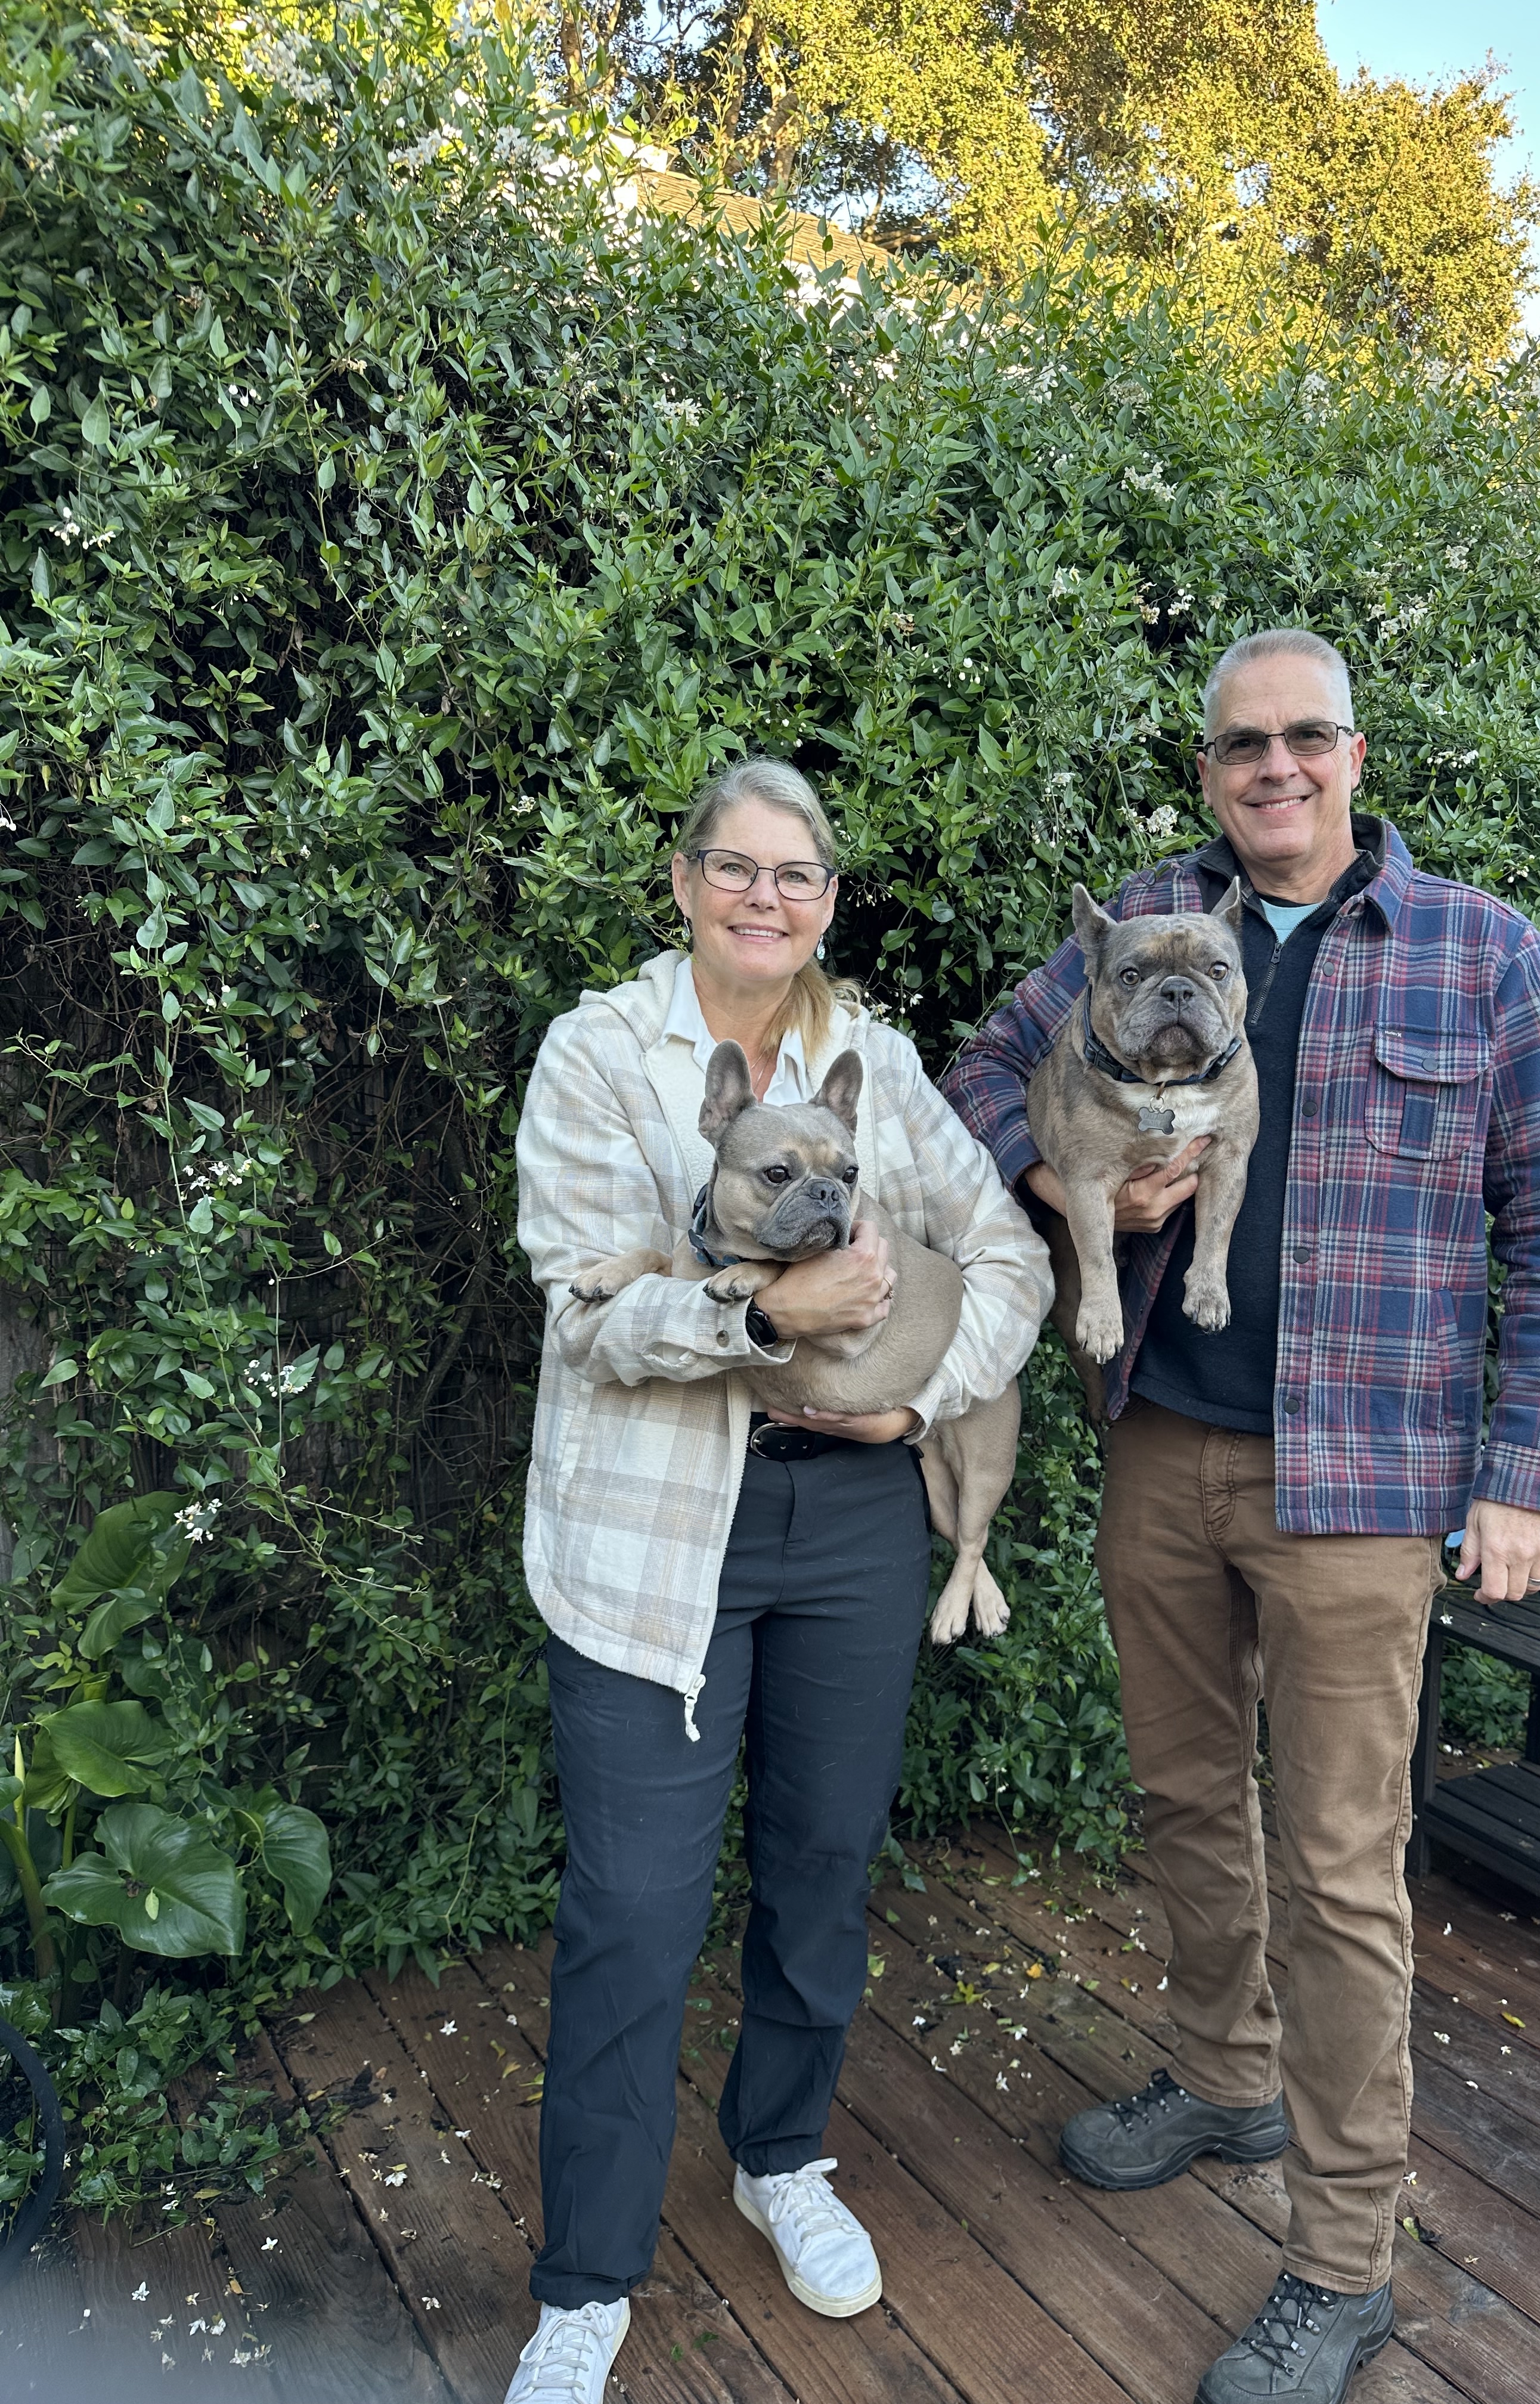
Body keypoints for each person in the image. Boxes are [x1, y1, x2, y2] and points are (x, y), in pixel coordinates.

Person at [943, 630, 1540, 2404]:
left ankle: (1342, 2258)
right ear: (1211, 772)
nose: (1276, 770)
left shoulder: (1480, 952)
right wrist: (1050, 1167)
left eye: (1305, 738)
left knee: (1338, 1869)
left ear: (1355, 753)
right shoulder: (1140, 923)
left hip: (1370, 1487)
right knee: (1180, 1802)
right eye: (1243, 745)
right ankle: (1226, 2081)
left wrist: (1532, 1473)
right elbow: (973, 1074)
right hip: (1164, 1441)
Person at [508, 759, 1051, 2404]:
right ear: (681, 883)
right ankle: (588, 2280)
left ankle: (781, 2157)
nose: (765, 897)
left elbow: (1014, 1256)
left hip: (854, 1525)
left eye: (796, 874)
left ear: (827, 898)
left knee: (821, 1864)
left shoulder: (871, 1064)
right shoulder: (604, 1054)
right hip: (655, 1532)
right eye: (733, 868)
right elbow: (584, 1313)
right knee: (636, 1911)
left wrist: (925, 1397)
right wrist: (760, 1322)